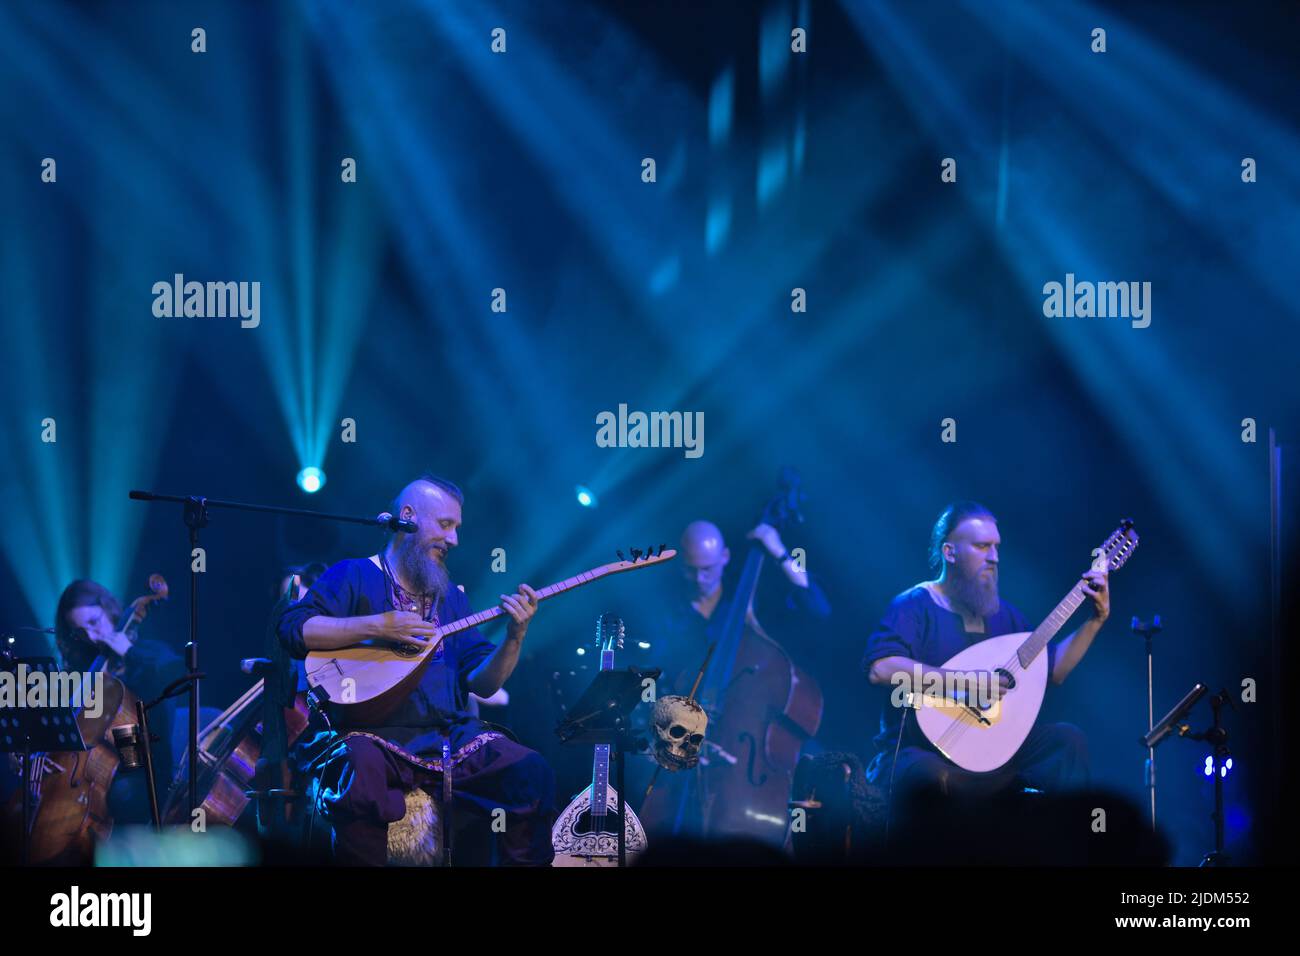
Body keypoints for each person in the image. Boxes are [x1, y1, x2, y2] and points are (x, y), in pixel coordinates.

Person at [276, 474, 556, 865]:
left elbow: (484, 683)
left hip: (444, 739)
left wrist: (515, 635)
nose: (454, 539)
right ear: (407, 517)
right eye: (445, 525)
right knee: (359, 766)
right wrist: (379, 625)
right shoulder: (353, 575)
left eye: (457, 527)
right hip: (366, 733)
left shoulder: (450, 598)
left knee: (530, 770)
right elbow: (293, 629)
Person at [862, 501, 1107, 804]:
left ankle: (1064, 846)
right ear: (949, 552)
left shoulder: (1006, 617)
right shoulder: (915, 604)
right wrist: (967, 682)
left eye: (996, 547)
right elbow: (882, 669)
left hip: (987, 749)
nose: (993, 557)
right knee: (932, 776)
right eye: (981, 546)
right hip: (917, 752)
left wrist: (1095, 621)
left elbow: (1053, 669)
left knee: (1067, 741)